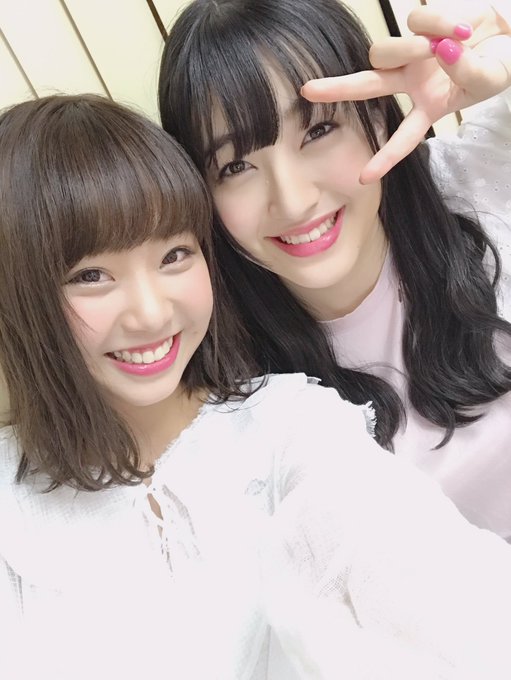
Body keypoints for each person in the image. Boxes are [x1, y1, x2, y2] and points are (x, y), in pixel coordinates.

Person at [2, 95, 511, 680]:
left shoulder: (291, 430)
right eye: (91, 276)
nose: (151, 313)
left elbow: (446, 590)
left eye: (174, 254)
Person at [158, 0, 511, 539]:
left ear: (376, 116)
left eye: (318, 130)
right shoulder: (233, 394)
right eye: (236, 165)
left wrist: (503, 40)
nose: (293, 200)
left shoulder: (480, 182)